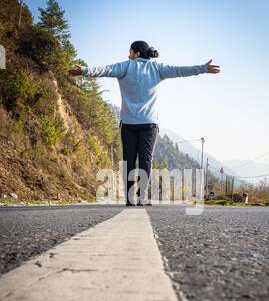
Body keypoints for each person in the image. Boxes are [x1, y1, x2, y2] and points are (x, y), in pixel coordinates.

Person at [69, 40, 220, 206]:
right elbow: (180, 70)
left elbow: (104, 70)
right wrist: (203, 68)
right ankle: (142, 197)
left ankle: (128, 197)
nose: (128, 55)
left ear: (137, 53)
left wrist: (84, 71)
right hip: (149, 124)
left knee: (129, 160)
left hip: (128, 124)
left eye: (130, 52)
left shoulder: (126, 66)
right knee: (145, 161)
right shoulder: (157, 68)